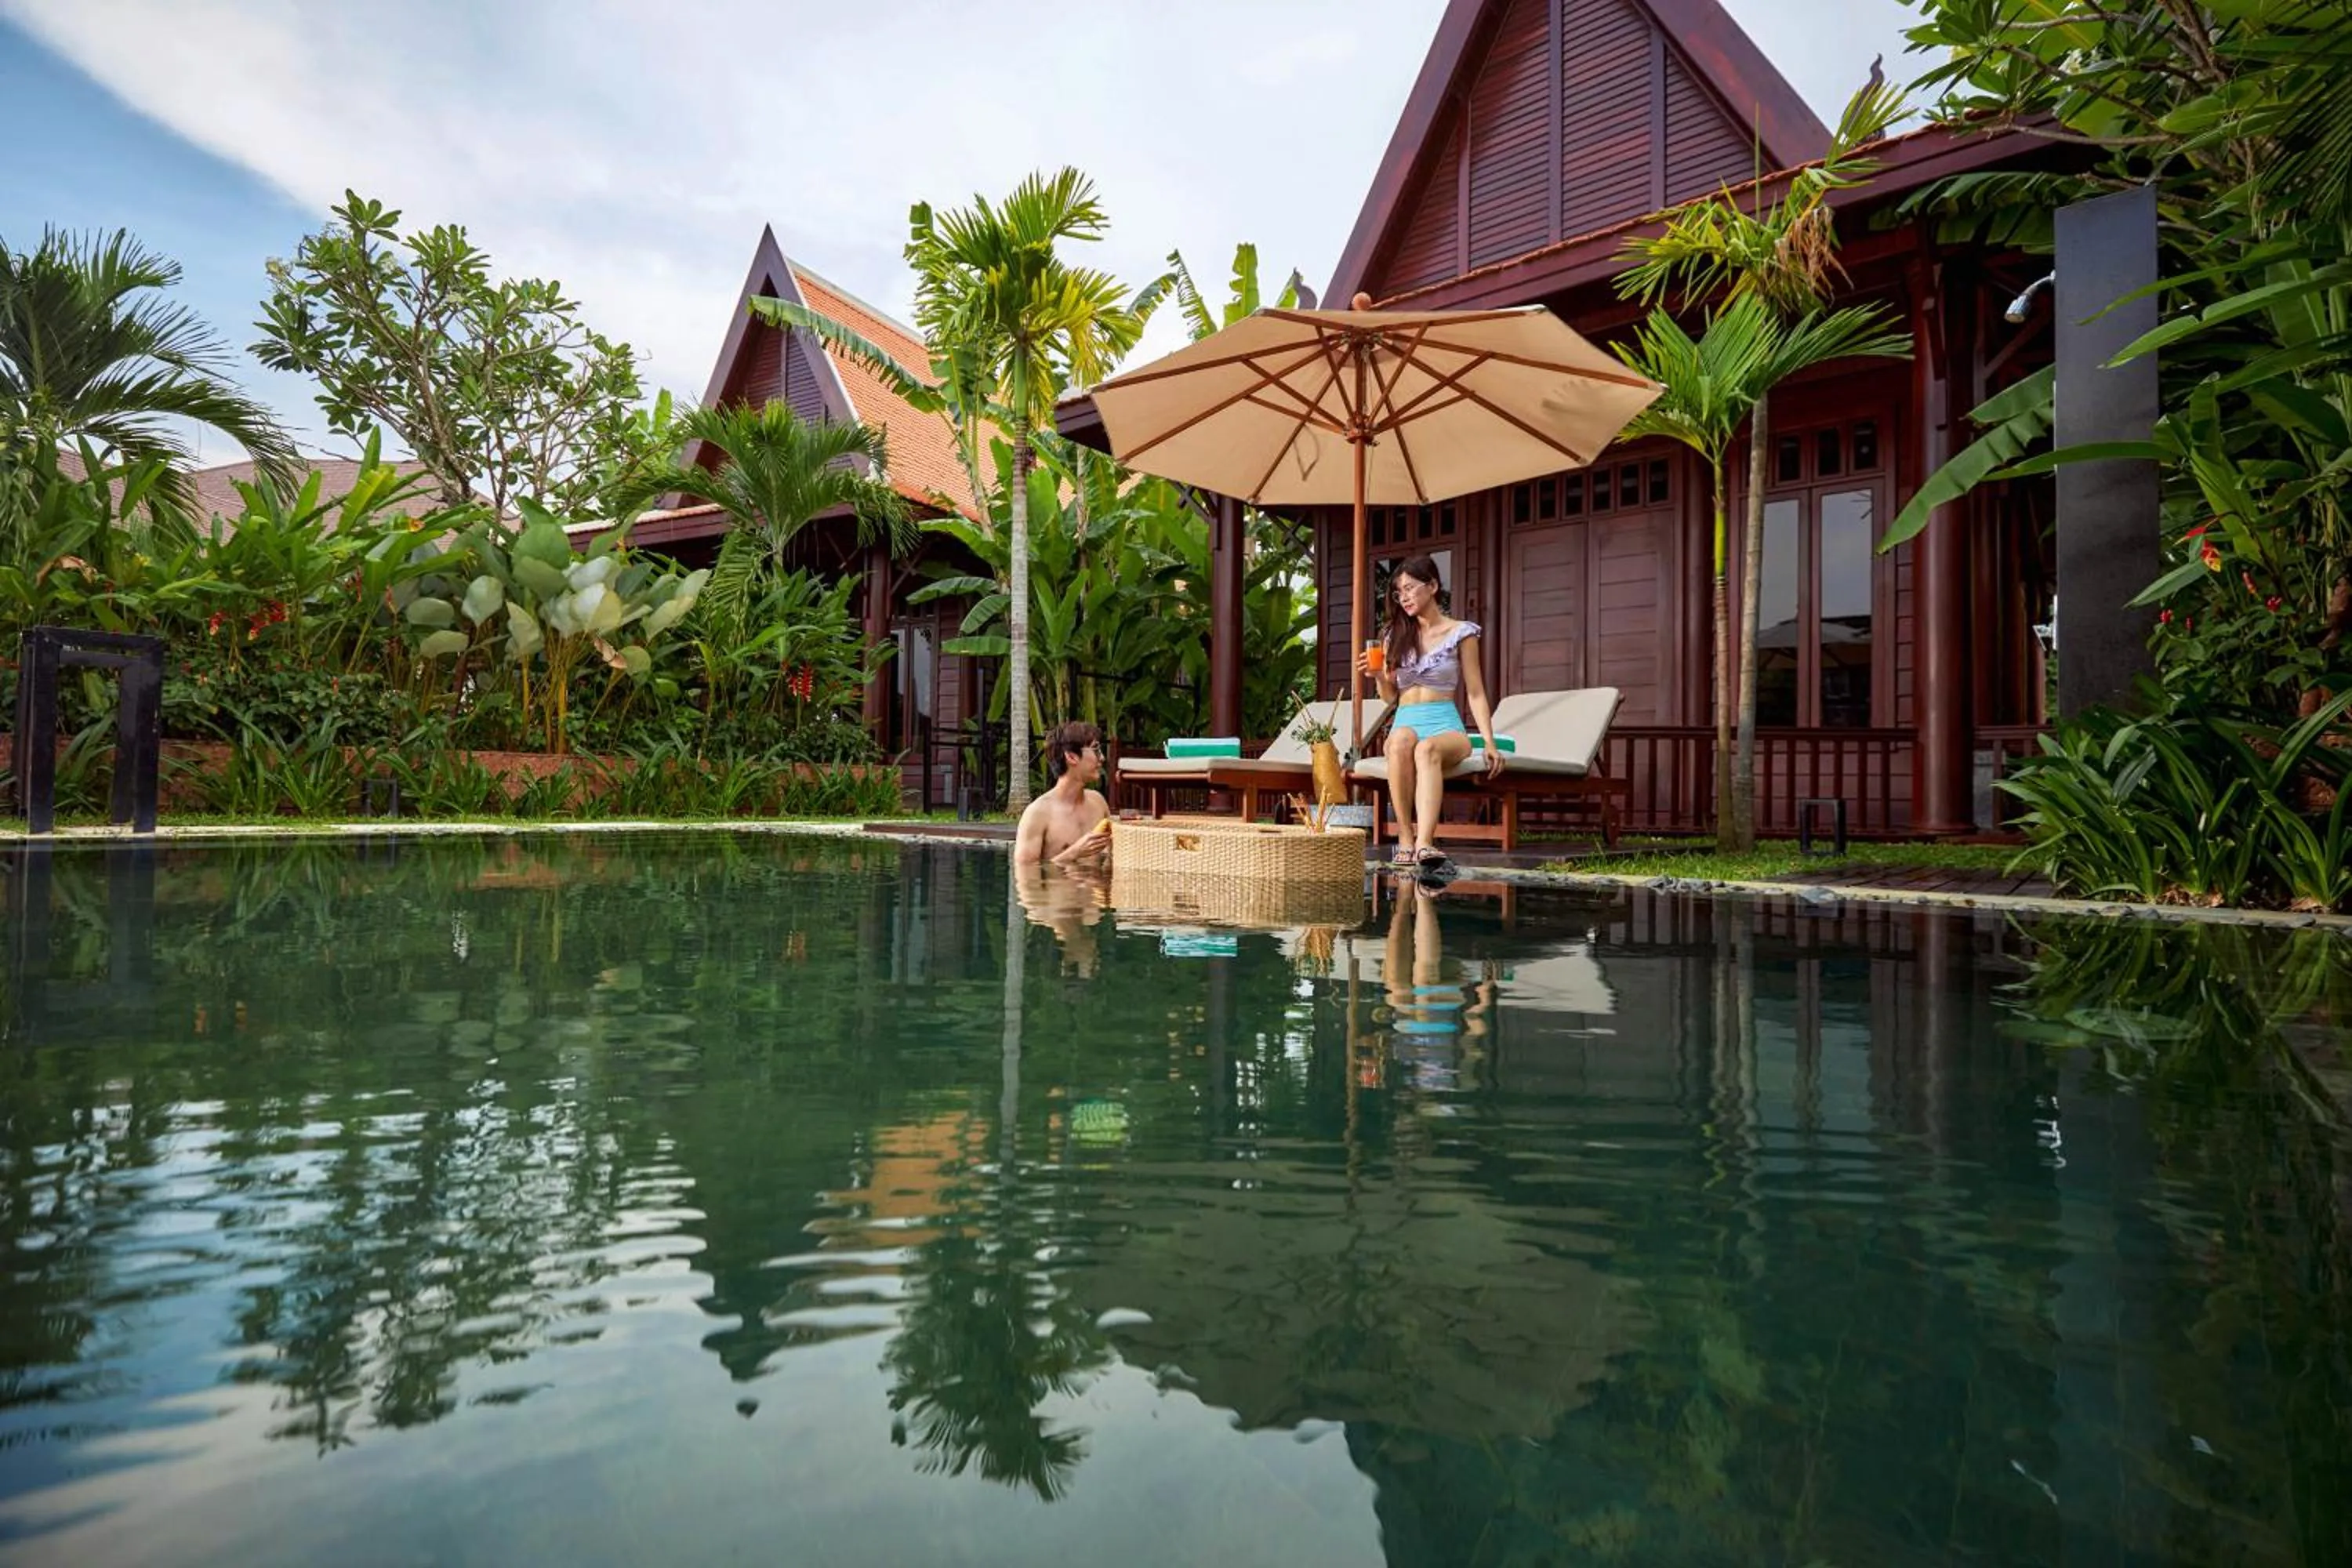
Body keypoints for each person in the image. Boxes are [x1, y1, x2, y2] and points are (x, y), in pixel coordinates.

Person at [1353, 553, 1501, 872]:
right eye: (1398, 591)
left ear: (1432, 586)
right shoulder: (1394, 635)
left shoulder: (1462, 633)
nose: (1403, 597)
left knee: (1427, 748)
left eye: (1409, 588)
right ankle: (1405, 839)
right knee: (1397, 742)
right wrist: (1379, 677)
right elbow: (1390, 698)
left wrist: (1488, 741)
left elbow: (1475, 691)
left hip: (1445, 725)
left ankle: (1425, 843)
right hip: (1406, 719)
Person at [1014, 720, 1112, 869]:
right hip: (1060, 890)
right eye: (1095, 750)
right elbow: (1026, 873)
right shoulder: (1038, 813)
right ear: (1071, 757)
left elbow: (1111, 857)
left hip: (1093, 889)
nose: (1102, 758)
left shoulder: (1098, 802)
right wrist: (1074, 853)